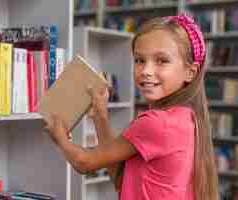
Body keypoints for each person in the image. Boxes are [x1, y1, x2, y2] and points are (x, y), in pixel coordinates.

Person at [46, 13, 219, 200]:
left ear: (190, 72)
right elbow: (119, 177)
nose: (146, 71)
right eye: (139, 60)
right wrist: (100, 115)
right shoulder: (187, 118)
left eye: (162, 60)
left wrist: (60, 138)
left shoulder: (157, 123)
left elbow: (84, 162)